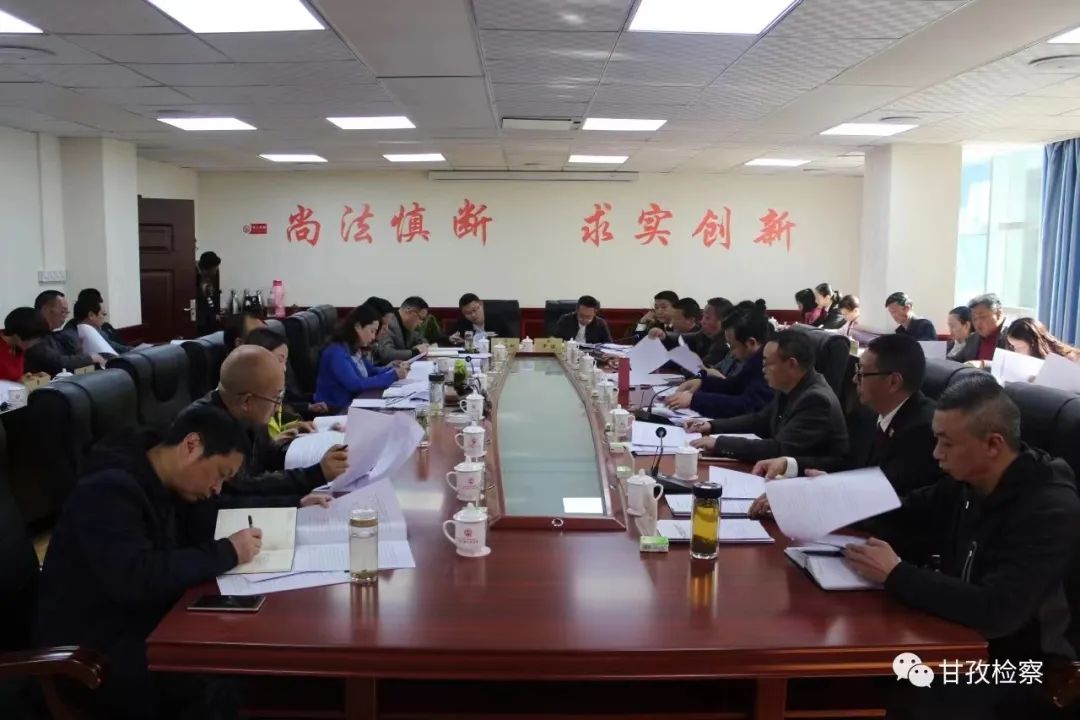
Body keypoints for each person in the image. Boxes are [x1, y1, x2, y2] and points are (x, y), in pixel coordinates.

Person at [844, 376, 1080, 719]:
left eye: (947, 443)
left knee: (898, 682)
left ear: (993, 444)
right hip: (962, 638)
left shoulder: (1049, 510)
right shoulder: (970, 482)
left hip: (1026, 669)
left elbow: (997, 612)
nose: (936, 454)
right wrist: (831, 498)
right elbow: (905, 511)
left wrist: (896, 574)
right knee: (861, 664)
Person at [34, 405, 260, 720]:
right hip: (92, 651)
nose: (216, 489)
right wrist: (227, 552)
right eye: (220, 475)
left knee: (234, 649)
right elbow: (135, 578)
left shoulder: (163, 477)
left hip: (137, 621)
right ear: (191, 446)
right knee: (217, 674)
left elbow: (206, 524)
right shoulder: (109, 490)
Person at [750, 334, 939, 510]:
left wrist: (813, 497)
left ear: (893, 382)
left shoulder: (923, 430)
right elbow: (844, 464)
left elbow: (887, 501)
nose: (855, 379)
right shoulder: (868, 414)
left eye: (862, 373)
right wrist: (789, 465)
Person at [186, 345, 348, 512]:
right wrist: (310, 481)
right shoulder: (207, 426)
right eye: (276, 398)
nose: (278, 408)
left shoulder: (247, 414)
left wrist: (324, 465)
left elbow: (268, 459)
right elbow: (238, 492)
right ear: (247, 401)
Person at [687, 330, 848, 463]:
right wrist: (712, 425)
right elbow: (760, 420)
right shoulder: (791, 385)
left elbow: (780, 448)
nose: (762, 369)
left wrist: (720, 443)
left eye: (767, 363)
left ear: (791, 364)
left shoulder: (816, 400)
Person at [666, 308, 774, 418]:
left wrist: (695, 400)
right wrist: (702, 383)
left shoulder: (770, 365)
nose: (731, 354)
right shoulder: (754, 360)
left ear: (751, 343)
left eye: (733, 346)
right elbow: (734, 385)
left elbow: (749, 406)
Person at [315, 304, 405, 410]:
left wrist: (392, 368)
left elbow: (371, 371)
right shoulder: (336, 352)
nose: (373, 336)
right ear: (358, 327)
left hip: (354, 403)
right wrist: (393, 376)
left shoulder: (354, 347)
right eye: (372, 331)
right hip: (336, 410)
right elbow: (355, 384)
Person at [244, 327, 326, 438]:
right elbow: (261, 444)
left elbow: (275, 429)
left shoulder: (272, 392)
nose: (284, 368)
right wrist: (278, 442)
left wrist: (293, 426)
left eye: (285, 362)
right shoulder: (250, 400)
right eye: (279, 360)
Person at [26, 290, 102, 375]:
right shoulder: (33, 334)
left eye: (67, 312)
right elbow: (57, 362)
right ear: (46, 310)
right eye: (63, 311)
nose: (65, 316)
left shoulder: (54, 335)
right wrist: (90, 358)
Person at [952, 293, 1010, 364]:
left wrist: (983, 364)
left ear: (998, 314)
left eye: (982, 317)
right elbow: (956, 361)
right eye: (974, 319)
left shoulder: (1012, 336)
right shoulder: (973, 338)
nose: (978, 323)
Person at [0, 307, 51, 383]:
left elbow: (14, 377)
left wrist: (32, 377)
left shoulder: (18, 347)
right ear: (22, 334)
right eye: (36, 338)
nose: (36, 342)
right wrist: (16, 383)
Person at [75, 288, 131, 353]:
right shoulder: (72, 336)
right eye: (103, 314)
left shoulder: (101, 330)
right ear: (91, 315)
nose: (105, 317)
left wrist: (136, 350)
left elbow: (115, 346)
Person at [376, 297, 430, 362]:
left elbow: (420, 339)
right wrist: (414, 352)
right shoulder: (388, 323)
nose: (420, 323)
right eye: (421, 318)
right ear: (410, 312)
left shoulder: (408, 326)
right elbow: (386, 354)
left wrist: (424, 345)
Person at [1006, 317, 1080, 362]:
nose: (1015, 352)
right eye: (1012, 347)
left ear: (1033, 344)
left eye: (1018, 347)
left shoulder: (1071, 358)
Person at [696, 297, 734, 367]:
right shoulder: (705, 336)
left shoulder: (724, 347)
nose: (702, 322)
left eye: (707, 318)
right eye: (703, 316)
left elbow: (700, 367)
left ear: (723, 321)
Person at [195, 251, 222, 335]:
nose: (216, 270)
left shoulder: (211, 278)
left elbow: (214, 296)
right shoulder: (194, 278)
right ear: (206, 269)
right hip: (201, 322)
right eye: (215, 268)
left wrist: (216, 313)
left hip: (212, 319)